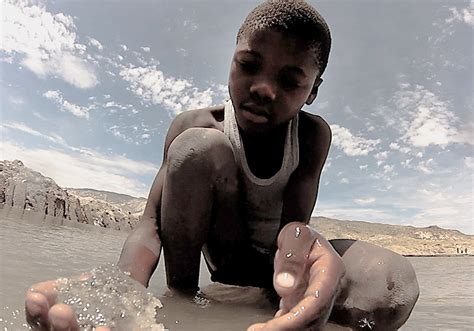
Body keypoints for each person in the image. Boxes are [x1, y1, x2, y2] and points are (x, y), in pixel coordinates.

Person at [25, 1, 419, 330]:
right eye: (249, 64)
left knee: (392, 285)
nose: (264, 87)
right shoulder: (193, 125)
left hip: (276, 264)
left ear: (313, 91)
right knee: (196, 148)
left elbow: (295, 225)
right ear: (232, 60)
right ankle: (182, 300)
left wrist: (304, 272)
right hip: (224, 260)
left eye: (289, 80)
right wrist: (122, 290)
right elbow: (149, 226)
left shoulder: (313, 136)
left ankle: (291, 313)